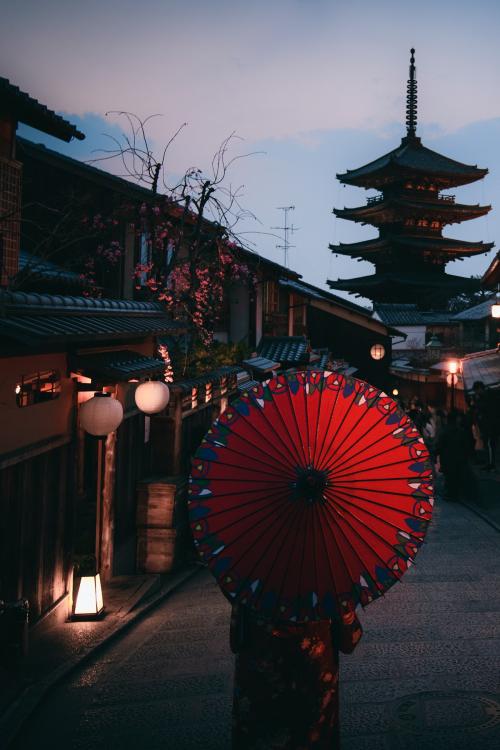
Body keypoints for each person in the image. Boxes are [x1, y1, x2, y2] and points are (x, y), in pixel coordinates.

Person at [230, 601, 362, 749]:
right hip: (311, 684)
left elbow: (235, 641)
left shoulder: (252, 588)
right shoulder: (326, 587)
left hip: (260, 687)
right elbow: (348, 642)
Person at [434, 410, 473, 502]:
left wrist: (436, 454)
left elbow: (439, 445)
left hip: (447, 458)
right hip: (458, 458)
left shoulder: (445, 431)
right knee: (455, 475)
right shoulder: (460, 431)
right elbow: (466, 445)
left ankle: (451, 493)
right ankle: (454, 493)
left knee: (449, 476)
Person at [472, 381, 500, 471]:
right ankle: (490, 463)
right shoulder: (488, 395)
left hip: (491, 424)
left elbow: (485, 409)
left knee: (490, 444)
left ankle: (491, 463)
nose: (476, 393)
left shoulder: (487, 396)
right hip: (489, 424)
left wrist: (477, 402)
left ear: (480, 388)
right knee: (490, 444)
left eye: (476, 391)